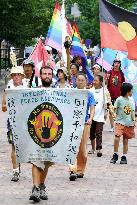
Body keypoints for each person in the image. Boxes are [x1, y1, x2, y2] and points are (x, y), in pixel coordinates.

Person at [29, 66, 54, 202]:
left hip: (52, 133)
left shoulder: (59, 92)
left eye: (49, 74)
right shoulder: (34, 91)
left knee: (46, 162)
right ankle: (35, 188)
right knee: (35, 159)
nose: (47, 76)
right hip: (36, 132)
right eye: (44, 73)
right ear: (40, 75)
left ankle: (42, 185)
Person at [2, 66, 27, 182]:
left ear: (22, 76)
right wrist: (10, 103)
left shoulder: (27, 87)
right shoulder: (9, 87)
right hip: (13, 121)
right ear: (11, 77)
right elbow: (3, 108)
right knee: (14, 146)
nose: (16, 76)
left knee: (24, 147)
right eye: (14, 75)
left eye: (18, 74)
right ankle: (15, 170)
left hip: (26, 121)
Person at [69, 72, 95, 181]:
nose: (80, 82)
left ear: (86, 81)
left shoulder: (89, 94)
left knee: (82, 149)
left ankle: (80, 170)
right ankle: (72, 170)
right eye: (78, 80)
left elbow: (92, 107)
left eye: (82, 80)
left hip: (84, 123)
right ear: (75, 80)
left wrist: (90, 118)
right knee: (71, 147)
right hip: (72, 123)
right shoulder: (71, 93)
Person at [110, 83, 135, 164]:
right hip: (120, 122)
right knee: (117, 137)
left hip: (128, 123)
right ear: (127, 91)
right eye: (131, 90)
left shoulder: (130, 100)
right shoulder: (119, 99)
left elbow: (132, 111)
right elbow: (114, 108)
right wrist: (112, 112)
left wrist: (133, 120)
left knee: (125, 140)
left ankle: (124, 156)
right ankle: (115, 154)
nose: (132, 92)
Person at [89, 75, 108, 157]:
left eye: (96, 81)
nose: (94, 82)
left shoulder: (104, 91)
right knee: (92, 133)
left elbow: (106, 103)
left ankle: (99, 149)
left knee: (98, 132)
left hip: (100, 115)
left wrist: (106, 110)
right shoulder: (90, 91)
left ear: (100, 82)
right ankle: (93, 148)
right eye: (94, 80)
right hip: (91, 115)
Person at [106, 59, 125, 132]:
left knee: (118, 111)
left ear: (120, 65)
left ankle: (118, 125)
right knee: (111, 111)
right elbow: (106, 84)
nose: (116, 64)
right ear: (113, 64)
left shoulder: (121, 73)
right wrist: (107, 78)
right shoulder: (109, 72)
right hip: (110, 95)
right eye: (115, 63)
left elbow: (123, 83)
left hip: (119, 96)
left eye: (118, 63)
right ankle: (111, 127)